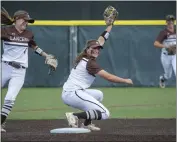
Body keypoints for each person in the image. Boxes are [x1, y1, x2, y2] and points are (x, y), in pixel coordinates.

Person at [61, 9, 133, 130]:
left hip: (71, 92)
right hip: (73, 94)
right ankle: (74, 116)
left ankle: (86, 124)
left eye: (98, 48)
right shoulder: (90, 63)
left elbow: (102, 39)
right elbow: (109, 77)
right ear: (88, 49)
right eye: (94, 48)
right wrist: (125, 80)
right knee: (105, 114)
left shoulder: (85, 55)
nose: (97, 50)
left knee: (98, 95)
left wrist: (110, 26)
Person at [1, 9, 58, 132]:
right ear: (16, 19)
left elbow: (34, 46)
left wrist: (46, 55)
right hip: (4, 67)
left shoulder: (28, 34)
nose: (26, 23)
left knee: (10, 98)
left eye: (27, 21)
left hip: (19, 71)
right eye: (24, 20)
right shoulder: (5, 31)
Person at [154, 15, 176, 88]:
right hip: (166, 56)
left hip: (175, 55)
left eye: (172, 21)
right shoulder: (163, 33)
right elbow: (156, 43)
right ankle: (162, 79)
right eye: (169, 21)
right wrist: (166, 47)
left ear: (174, 22)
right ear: (166, 22)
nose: (170, 22)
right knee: (168, 75)